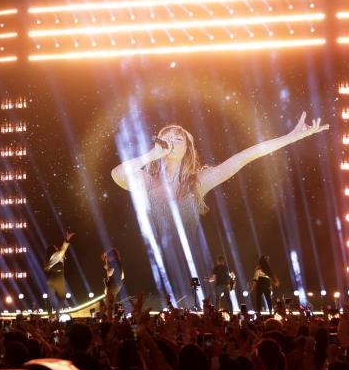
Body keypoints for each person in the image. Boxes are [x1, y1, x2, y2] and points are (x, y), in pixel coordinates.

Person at [111, 113, 327, 306]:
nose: (172, 141)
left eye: (178, 138)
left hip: (184, 264)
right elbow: (118, 174)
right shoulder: (147, 180)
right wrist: (151, 155)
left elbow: (245, 157)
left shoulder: (199, 182)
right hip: (146, 265)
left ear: (187, 148)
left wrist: (292, 137)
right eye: (167, 138)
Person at [44, 231, 75, 317]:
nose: (57, 248)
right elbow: (63, 249)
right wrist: (67, 239)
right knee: (62, 297)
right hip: (58, 278)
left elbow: (46, 269)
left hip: (51, 279)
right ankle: (56, 312)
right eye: (55, 247)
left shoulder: (49, 259)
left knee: (50, 298)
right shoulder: (57, 255)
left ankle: (51, 315)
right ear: (54, 250)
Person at [102, 248, 124, 315]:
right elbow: (122, 276)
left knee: (109, 302)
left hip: (114, 284)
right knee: (111, 300)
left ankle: (111, 315)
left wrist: (107, 267)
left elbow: (110, 273)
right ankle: (113, 314)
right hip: (117, 284)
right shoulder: (118, 263)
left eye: (108, 256)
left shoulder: (114, 263)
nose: (107, 258)